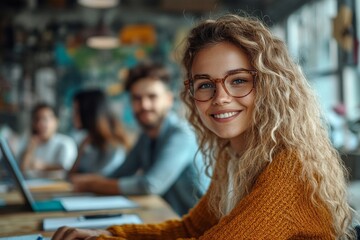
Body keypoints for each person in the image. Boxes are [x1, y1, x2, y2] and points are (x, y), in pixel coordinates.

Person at [52, 14, 355, 240]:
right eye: (205, 84)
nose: (220, 98)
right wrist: (107, 234)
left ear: (269, 87)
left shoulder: (290, 167)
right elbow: (189, 229)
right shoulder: (231, 155)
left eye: (238, 81)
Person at [68, 62, 206, 216]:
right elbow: (119, 174)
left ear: (168, 99)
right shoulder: (145, 138)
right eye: (137, 98)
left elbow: (150, 185)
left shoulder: (182, 135)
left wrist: (91, 184)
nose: (144, 105)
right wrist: (86, 180)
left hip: (204, 231)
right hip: (170, 221)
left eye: (152, 97)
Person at [68, 89, 130, 177]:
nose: (73, 116)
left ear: (89, 113)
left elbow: (100, 179)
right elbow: (72, 175)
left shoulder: (114, 146)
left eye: (77, 111)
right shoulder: (87, 143)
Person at [18, 103, 77, 175]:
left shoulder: (65, 143)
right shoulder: (29, 143)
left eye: (45, 119)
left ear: (56, 121)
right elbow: (20, 171)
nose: (40, 124)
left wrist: (43, 167)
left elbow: (67, 169)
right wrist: (30, 149)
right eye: (37, 119)